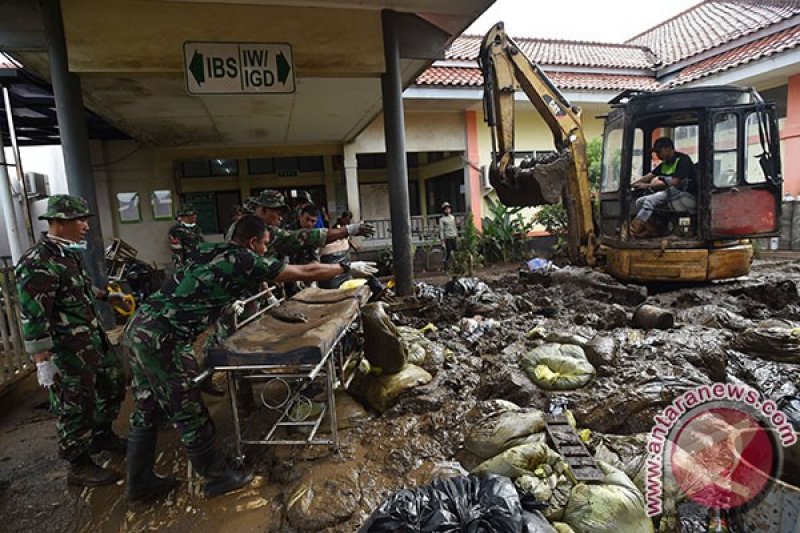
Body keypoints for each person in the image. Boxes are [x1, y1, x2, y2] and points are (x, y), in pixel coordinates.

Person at [123, 215, 377, 501]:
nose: (266, 250)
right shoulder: (246, 259)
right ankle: (216, 476)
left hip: (139, 328)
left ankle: (139, 481)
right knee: (187, 408)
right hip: (163, 340)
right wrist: (345, 266)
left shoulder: (210, 250)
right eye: (265, 244)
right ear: (252, 242)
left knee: (146, 405)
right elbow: (304, 271)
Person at [15, 194, 128, 486]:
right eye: (78, 220)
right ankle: (77, 462)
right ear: (58, 222)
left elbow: (78, 289)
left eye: (84, 219)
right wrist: (42, 361)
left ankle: (101, 436)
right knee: (75, 404)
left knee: (114, 381)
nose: (85, 225)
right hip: (67, 350)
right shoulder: (37, 261)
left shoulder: (69, 253)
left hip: (91, 341)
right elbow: (34, 314)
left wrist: (105, 295)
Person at [630, 137, 697, 238]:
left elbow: (674, 182)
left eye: (658, 151)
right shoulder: (665, 164)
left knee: (649, 201)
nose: (657, 155)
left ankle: (635, 228)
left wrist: (647, 185)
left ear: (668, 148)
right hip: (671, 194)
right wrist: (633, 184)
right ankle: (652, 229)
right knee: (640, 202)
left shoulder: (683, 160)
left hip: (685, 195)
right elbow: (649, 176)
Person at [168, 203, 204, 268]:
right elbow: (177, 251)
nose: (195, 216)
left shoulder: (196, 228)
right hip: (186, 264)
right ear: (185, 216)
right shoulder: (176, 230)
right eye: (193, 214)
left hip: (199, 262)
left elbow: (202, 243)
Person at [439, 202, 459, 268]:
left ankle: (456, 266)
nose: (447, 210)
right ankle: (446, 267)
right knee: (448, 253)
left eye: (448, 209)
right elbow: (441, 230)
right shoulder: (442, 219)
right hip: (447, 238)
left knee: (456, 252)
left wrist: (457, 236)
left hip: (454, 236)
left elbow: (455, 227)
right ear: (443, 210)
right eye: (446, 209)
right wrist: (442, 241)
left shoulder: (452, 217)